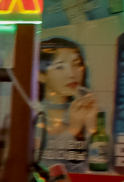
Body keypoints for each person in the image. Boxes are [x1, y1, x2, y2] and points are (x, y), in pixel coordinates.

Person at [38, 36, 98, 169]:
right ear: (41, 75)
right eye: (60, 67)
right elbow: (41, 164)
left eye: (76, 64)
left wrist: (91, 125)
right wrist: (73, 129)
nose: (72, 74)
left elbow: (103, 164)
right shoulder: (31, 113)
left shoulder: (89, 109)